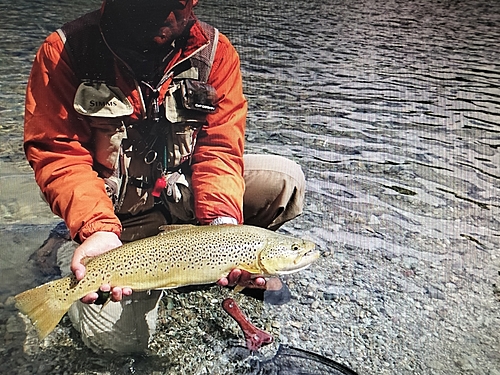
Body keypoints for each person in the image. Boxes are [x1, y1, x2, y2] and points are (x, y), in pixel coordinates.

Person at [24, 0, 305, 353]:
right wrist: (95, 228)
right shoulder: (67, 51)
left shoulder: (215, 53)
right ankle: (67, 251)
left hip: (182, 200)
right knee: (120, 343)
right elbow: (59, 154)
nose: (157, 14)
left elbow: (219, 149)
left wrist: (222, 226)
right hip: (114, 220)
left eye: (172, 3)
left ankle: (207, 270)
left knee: (284, 180)